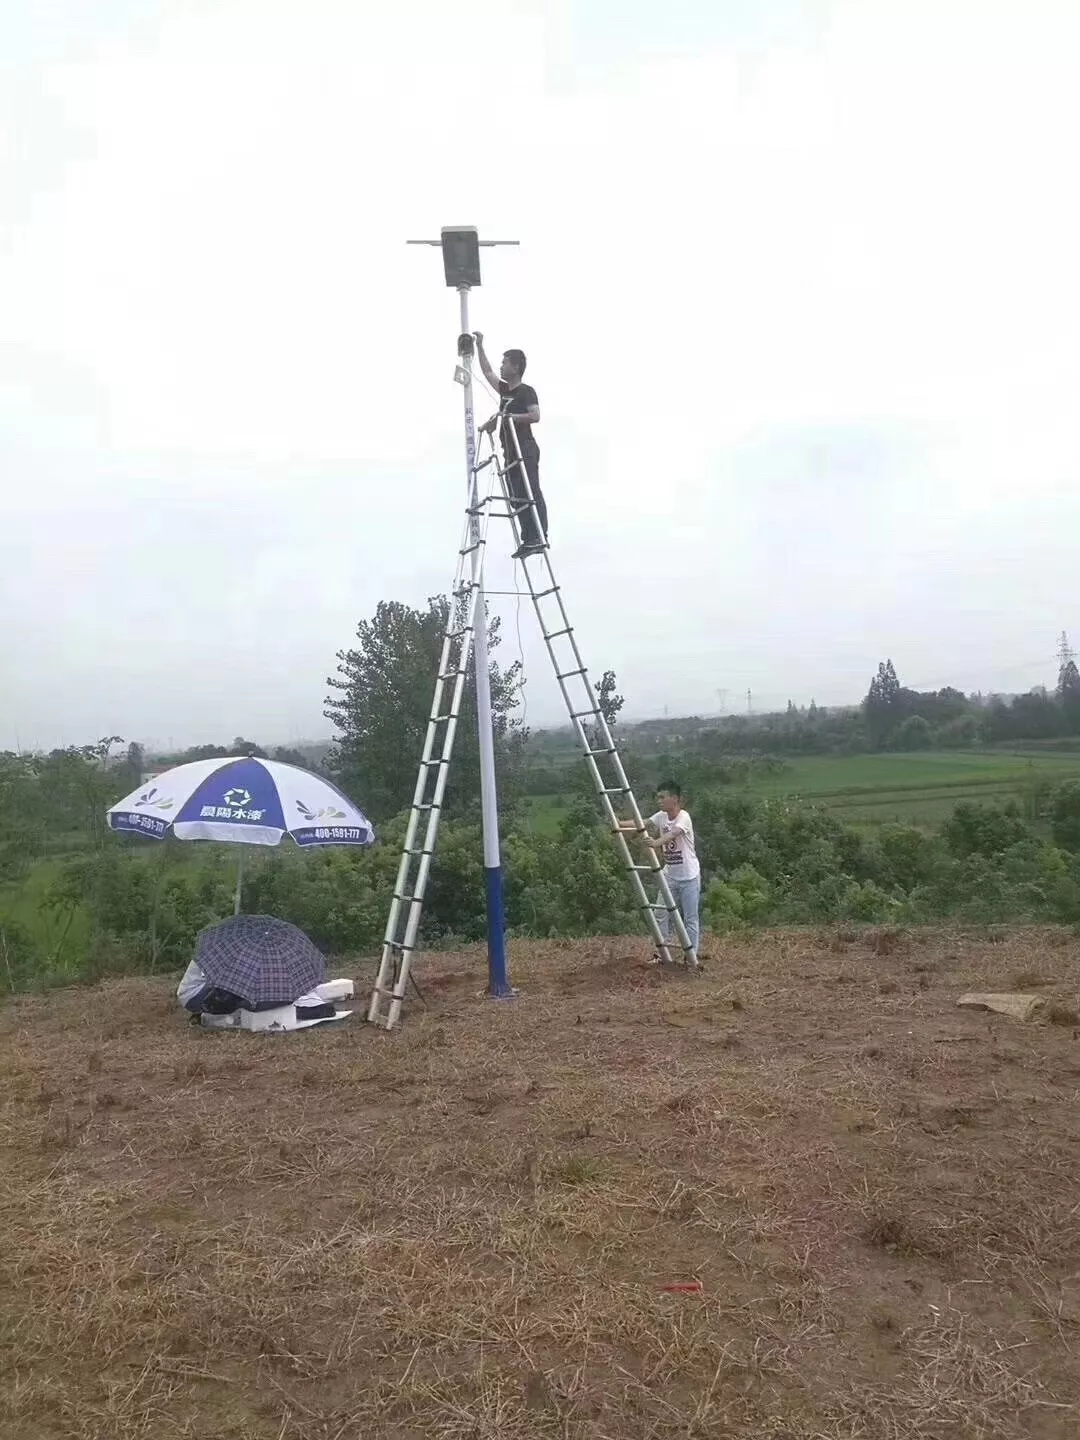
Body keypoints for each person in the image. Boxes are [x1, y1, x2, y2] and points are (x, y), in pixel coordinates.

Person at [474, 332, 548, 559]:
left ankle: (539, 536)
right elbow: (487, 373)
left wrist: (508, 417)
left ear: (515, 367)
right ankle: (528, 539)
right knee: (517, 497)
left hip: (524, 447)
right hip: (510, 451)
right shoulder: (506, 391)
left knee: (530, 490)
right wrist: (479, 346)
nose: (501, 366)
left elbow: (535, 415)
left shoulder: (526, 391)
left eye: (505, 362)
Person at [640, 780, 701, 964]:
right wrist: (619, 823)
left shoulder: (684, 817)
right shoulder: (661, 816)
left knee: (690, 918)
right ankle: (661, 955)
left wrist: (656, 843)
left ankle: (691, 958)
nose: (658, 800)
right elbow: (643, 822)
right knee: (660, 913)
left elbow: (673, 833)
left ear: (674, 799)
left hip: (689, 876)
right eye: (657, 797)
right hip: (670, 875)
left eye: (662, 797)